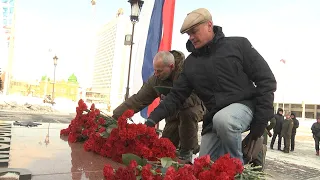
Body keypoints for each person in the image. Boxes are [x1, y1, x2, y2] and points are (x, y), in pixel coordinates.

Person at [145, 8, 277, 164]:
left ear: (209, 25)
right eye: (188, 34)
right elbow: (176, 96)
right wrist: (152, 119)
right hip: (214, 118)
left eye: (194, 31)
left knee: (225, 121)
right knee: (203, 166)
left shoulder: (238, 45)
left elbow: (266, 80)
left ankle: (238, 167)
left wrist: (260, 123)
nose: (191, 37)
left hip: (245, 107)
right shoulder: (190, 64)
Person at [112, 50, 204, 161]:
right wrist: (116, 115)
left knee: (187, 114)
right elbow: (138, 100)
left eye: (159, 71)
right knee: (163, 149)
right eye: (155, 70)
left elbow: (196, 97)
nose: (156, 74)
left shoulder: (188, 72)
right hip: (172, 115)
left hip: (197, 106)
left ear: (171, 66)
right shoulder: (156, 80)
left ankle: (187, 152)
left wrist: (170, 101)